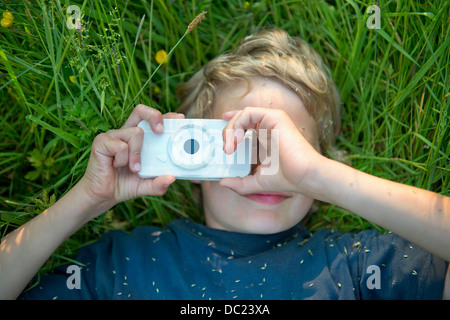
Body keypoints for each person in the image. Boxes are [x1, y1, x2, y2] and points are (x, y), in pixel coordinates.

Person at [1, 29, 448, 300]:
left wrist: (318, 176)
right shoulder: (124, 261)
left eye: (287, 148)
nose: (263, 168)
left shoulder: (357, 264)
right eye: (237, 142)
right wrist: (83, 201)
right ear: (189, 154)